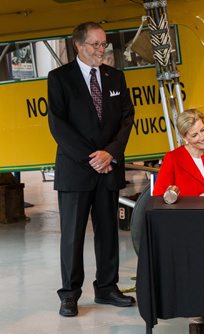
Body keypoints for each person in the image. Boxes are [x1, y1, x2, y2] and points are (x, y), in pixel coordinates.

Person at [47, 21, 135, 317]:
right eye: (96, 44)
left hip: (108, 168)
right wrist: (91, 158)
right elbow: (58, 125)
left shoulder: (115, 77)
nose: (102, 49)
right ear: (78, 46)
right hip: (76, 170)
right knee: (72, 234)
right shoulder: (59, 78)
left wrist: (109, 153)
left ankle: (107, 288)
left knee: (108, 232)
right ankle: (70, 294)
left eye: (104, 44)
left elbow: (126, 119)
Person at [153, 109, 204, 197]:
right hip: (187, 210)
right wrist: (198, 201)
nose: (202, 137)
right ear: (184, 138)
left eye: (202, 130)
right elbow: (159, 197)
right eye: (194, 135)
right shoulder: (172, 158)